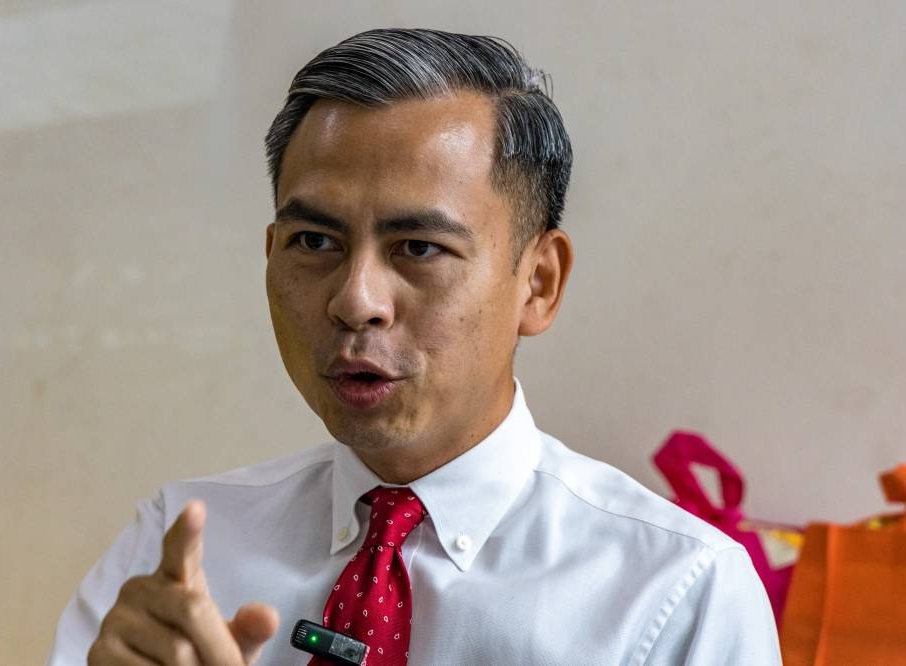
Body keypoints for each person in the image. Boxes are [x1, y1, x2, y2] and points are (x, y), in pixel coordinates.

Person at [47, 28, 781, 665]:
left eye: (419, 247)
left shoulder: (678, 592)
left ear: (539, 283)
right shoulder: (178, 557)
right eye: (314, 241)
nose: (355, 299)